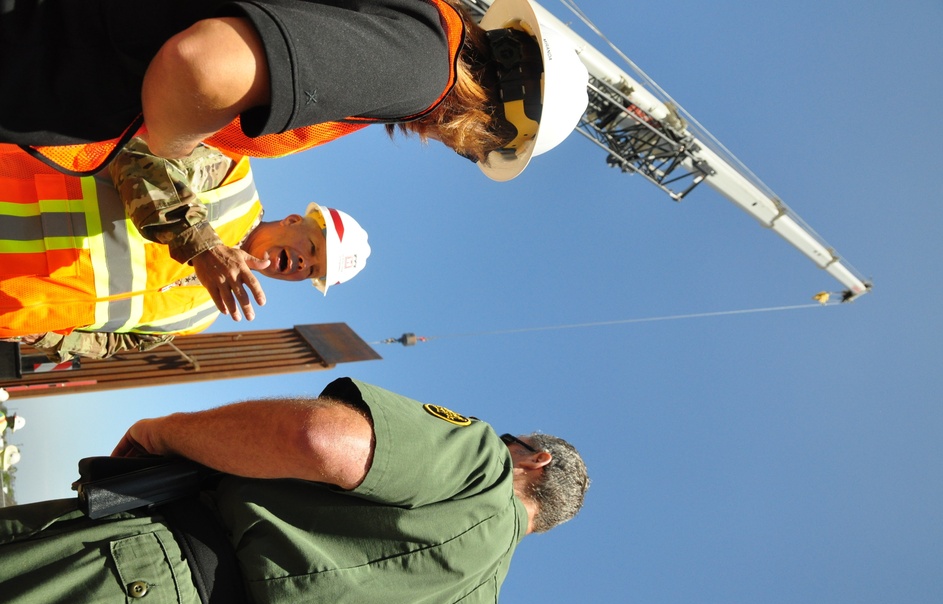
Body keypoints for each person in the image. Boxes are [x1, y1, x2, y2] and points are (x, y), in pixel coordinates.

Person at [0, 376, 590, 604]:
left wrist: (161, 432)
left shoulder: (485, 470)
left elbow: (317, 437)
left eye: (514, 439)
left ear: (535, 460)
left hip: (143, 581)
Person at [0, 0, 589, 183]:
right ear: (494, 115)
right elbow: (204, 65)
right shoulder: (420, 71)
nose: (456, 148)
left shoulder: (418, 19)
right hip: (37, 47)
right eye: (479, 147)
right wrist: (173, 141)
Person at [0, 138, 370, 360]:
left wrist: (45, 336)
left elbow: (121, 340)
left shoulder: (203, 315)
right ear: (293, 220)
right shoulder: (231, 176)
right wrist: (202, 245)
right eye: (313, 248)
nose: (304, 264)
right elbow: (137, 153)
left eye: (312, 271)